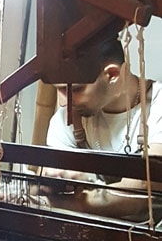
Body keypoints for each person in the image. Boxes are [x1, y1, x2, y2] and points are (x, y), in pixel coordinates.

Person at [42, 35, 162, 218]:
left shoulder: (158, 106)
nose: (63, 102)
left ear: (112, 75)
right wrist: (55, 181)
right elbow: (51, 179)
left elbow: (144, 188)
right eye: (59, 89)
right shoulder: (67, 119)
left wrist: (73, 202)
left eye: (75, 90)